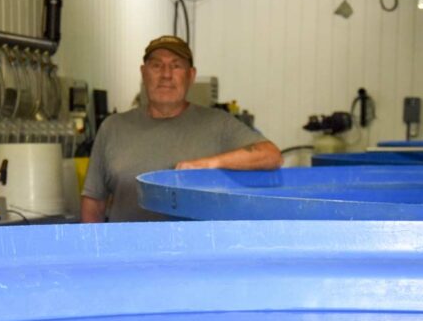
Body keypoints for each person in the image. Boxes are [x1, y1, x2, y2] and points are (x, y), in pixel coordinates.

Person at [81, 35, 283, 222]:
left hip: (195, 256)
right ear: (143, 73)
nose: (166, 75)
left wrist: (208, 164)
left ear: (191, 75)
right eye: (156, 65)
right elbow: (93, 201)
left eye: (176, 66)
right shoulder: (113, 128)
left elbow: (272, 156)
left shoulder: (218, 124)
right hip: (128, 256)